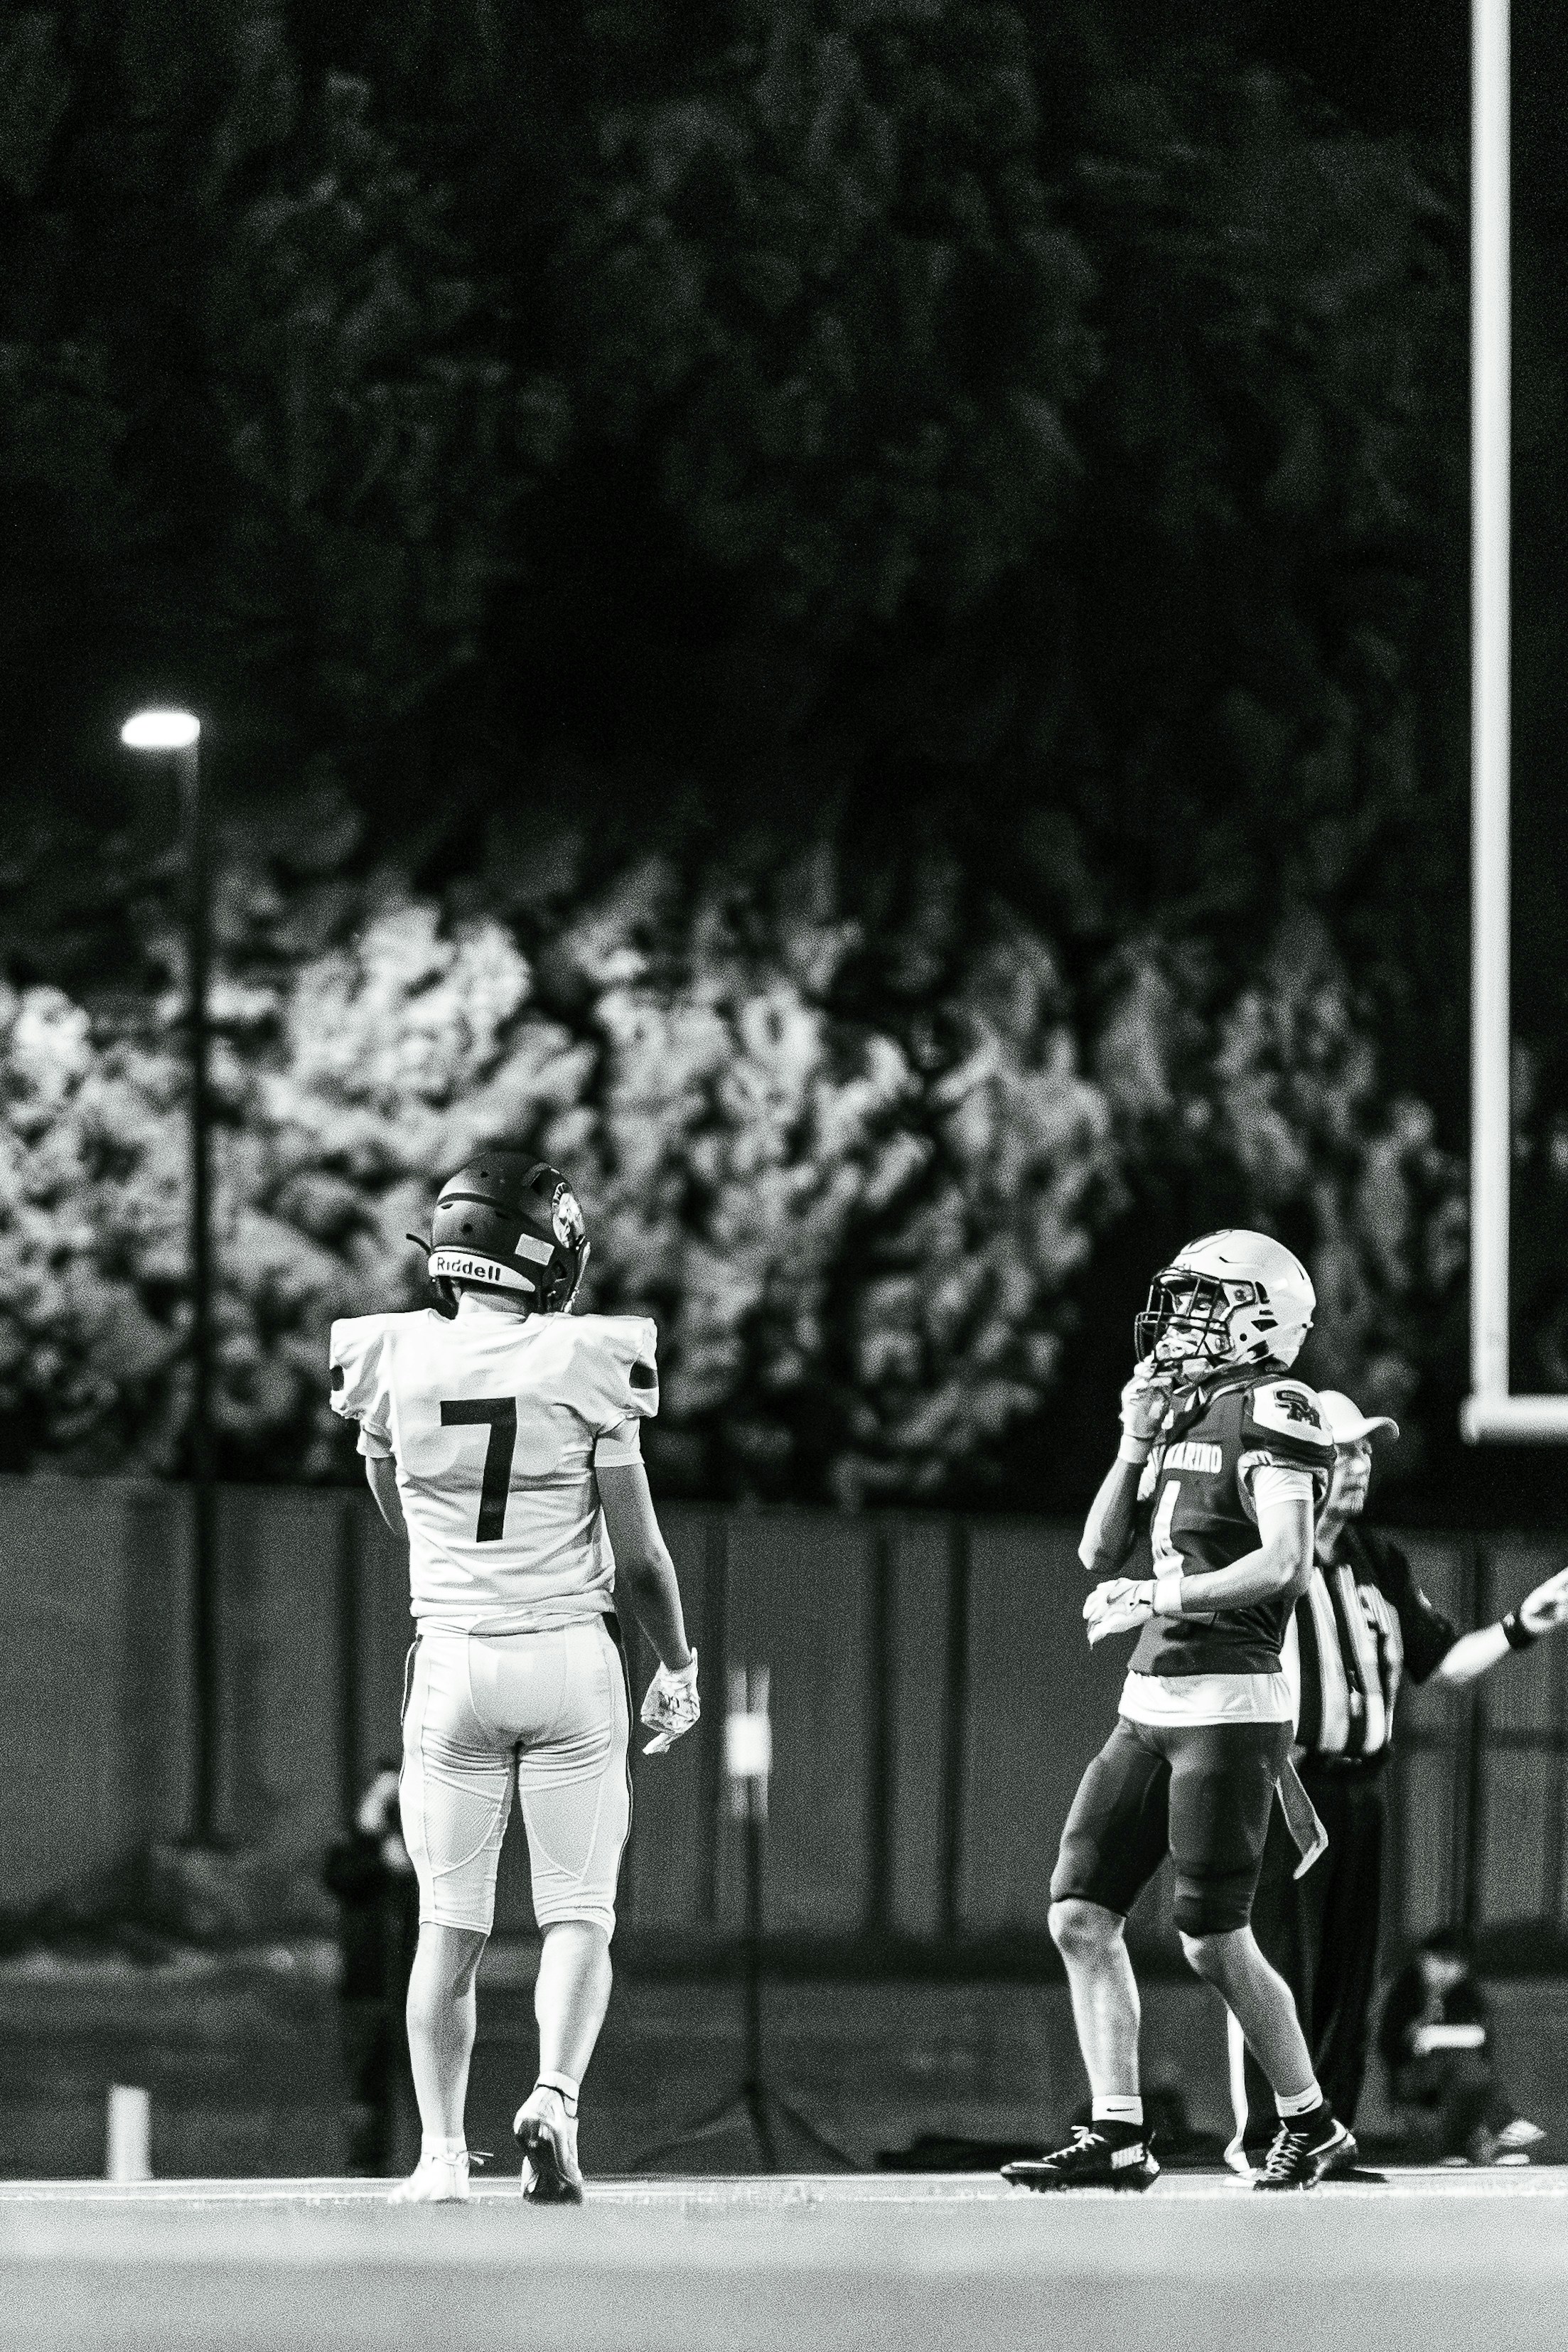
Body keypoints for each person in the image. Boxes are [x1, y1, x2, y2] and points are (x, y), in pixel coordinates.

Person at [329, 1151, 701, 2204]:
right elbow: (640, 1560)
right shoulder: (584, 1359)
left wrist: (457, 1562)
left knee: (449, 1923)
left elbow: (385, 1482)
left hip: (451, 1658)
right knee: (578, 1912)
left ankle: (440, 2155)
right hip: (569, 1657)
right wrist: (676, 1663)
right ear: (543, 1257)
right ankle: (552, 2099)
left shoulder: (391, 1355)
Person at [1003, 1229, 1355, 2195]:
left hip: (1229, 1709)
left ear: (1256, 1316)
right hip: (1148, 1702)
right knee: (1078, 1912)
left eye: (1201, 1302)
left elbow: (1282, 1561)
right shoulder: (1188, 1410)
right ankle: (1118, 2131)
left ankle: (1309, 2118)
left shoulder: (1278, 1408)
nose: (1178, 1321)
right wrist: (1133, 1438)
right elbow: (1095, 1548)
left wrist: (1159, 1600)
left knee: (1209, 1938)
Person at [1227, 1394, 1568, 2170]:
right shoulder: (1266, 1553)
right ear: (1302, 1461)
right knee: (1277, 1962)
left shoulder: (1376, 1561)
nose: (1358, 1467)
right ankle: (1263, 2138)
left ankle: (1327, 2134)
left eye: (1366, 1453)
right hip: (1289, 1782)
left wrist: (1526, 1621)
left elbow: (1442, 1663)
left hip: (1359, 1789)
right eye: (1343, 1452)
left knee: (1352, 1974)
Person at [323, 1759, 420, 2173]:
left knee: (426, 2080)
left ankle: (439, 2156)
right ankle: (366, 2165)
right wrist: (369, 1834)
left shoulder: (424, 1839)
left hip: (416, 1984)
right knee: (366, 2084)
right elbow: (339, 1878)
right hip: (365, 1985)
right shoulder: (358, 1847)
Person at [1378, 1928, 1545, 2165]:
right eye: (1442, 1962)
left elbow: (1482, 2039)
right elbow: (1389, 2047)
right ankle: (1505, 2123)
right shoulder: (1405, 1991)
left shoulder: (1466, 1993)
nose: (1448, 1972)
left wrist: (1440, 2037)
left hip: (1460, 2080)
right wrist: (1418, 2034)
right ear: (1424, 1960)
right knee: (1468, 2069)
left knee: (1467, 2068)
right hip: (1415, 2079)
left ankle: (1461, 2148)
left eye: (1457, 1965)